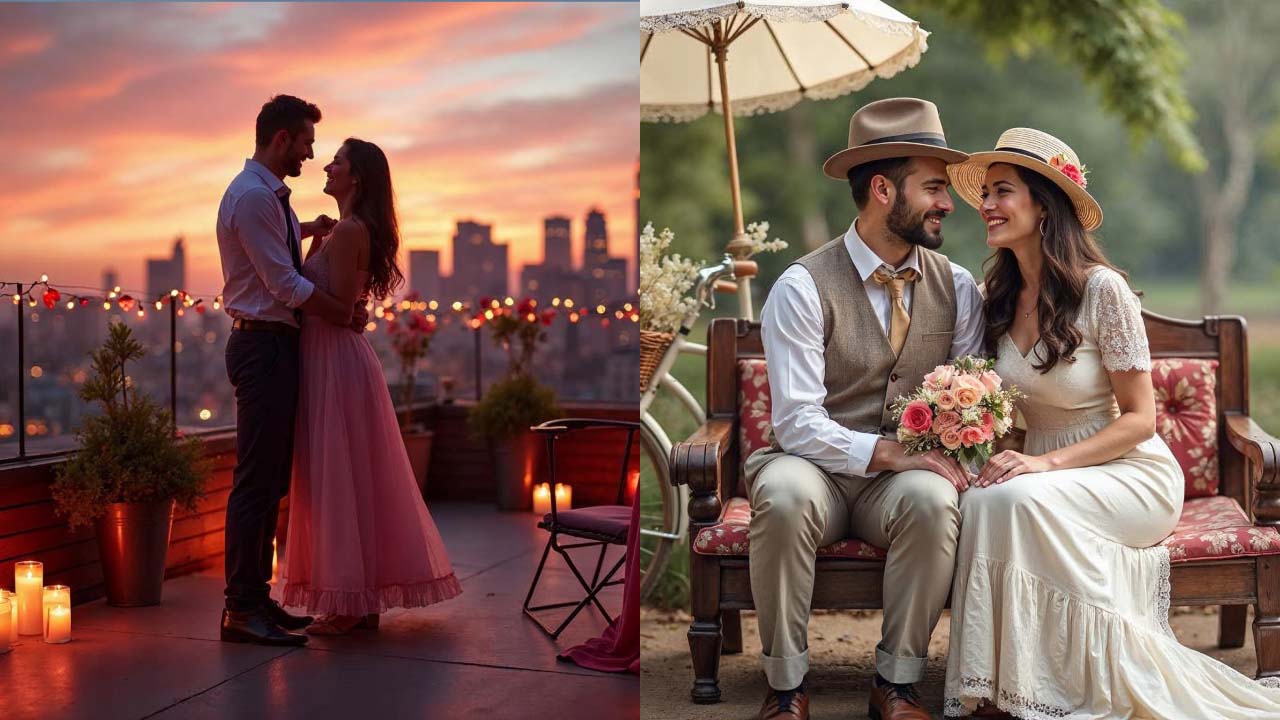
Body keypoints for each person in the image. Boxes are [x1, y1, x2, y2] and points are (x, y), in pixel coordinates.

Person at [943, 127, 1280, 718]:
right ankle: (1004, 686)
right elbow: (1007, 415)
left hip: (1127, 472)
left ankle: (1074, 682)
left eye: (1002, 192)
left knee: (1013, 501)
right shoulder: (992, 295)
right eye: (986, 195)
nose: (986, 206)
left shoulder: (1103, 292)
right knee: (982, 501)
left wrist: (1043, 463)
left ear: (1044, 205)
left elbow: (1141, 421)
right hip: (1041, 468)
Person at [745, 98, 984, 720]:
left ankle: (895, 687)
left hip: (896, 486)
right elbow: (795, 422)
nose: (948, 203)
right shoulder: (801, 285)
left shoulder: (957, 287)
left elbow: (966, 399)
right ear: (882, 189)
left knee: (935, 501)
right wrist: (888, 451)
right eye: (933, 187)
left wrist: (936, 453)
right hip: (812, 468)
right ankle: (786, 688)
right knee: (784, 494)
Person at [280, 137, 461, 635]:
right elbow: (343, 302)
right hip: (336, 358)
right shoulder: (346, 231)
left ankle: (346, 603)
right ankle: (358, 597)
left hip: (332, 359)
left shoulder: (349, 233)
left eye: (336, 161)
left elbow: (336, 307)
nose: (327, 166)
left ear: (355, 176)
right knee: (350, 476)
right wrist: (315, 239)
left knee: (336, 478)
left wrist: (304, 294)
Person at [215, 94, 364, 646]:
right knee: (256, 482)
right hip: (263, 348)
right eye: (305, 143)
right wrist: (343, 313)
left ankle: (256, 601)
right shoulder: (254, 197)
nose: (310, 155)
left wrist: (306, 228)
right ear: (281, 139)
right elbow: (285, 285)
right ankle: (240, 608)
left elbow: (273, 253)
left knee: (271, 479)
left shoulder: (267, 197)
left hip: (276, 346)